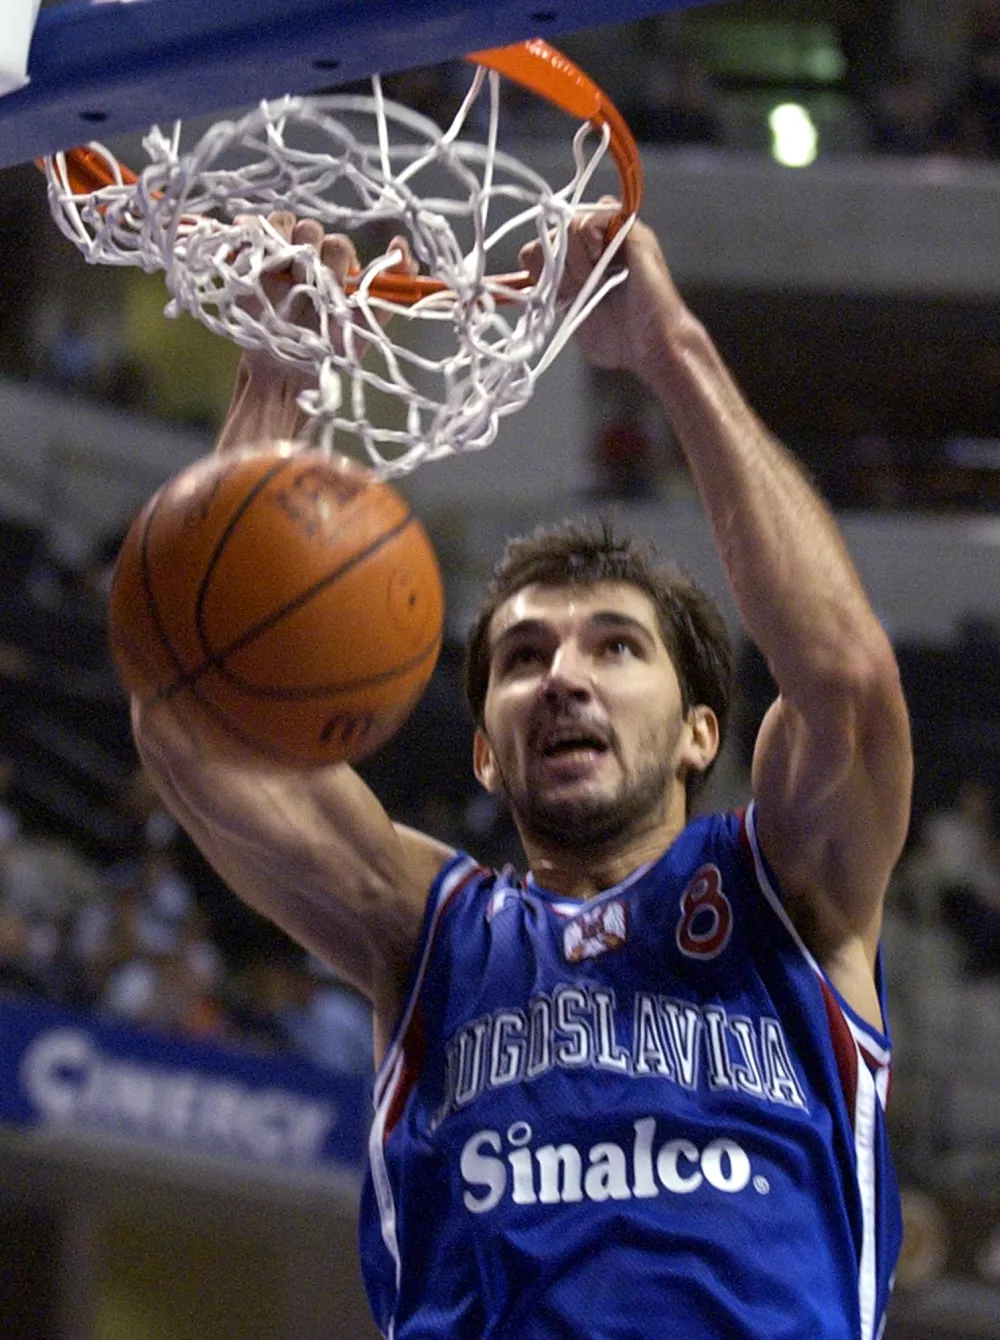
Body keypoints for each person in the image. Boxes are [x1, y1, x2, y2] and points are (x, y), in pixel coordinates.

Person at [131, 209, 913, 1338]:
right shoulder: (431, 929)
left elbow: (845, 679)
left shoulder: (786, 887)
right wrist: (276, 383)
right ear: (486, 752)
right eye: (523, 656)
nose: (562, 676)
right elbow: (190, 726)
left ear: (703, 732)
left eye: (615, 645)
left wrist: (669, 350)